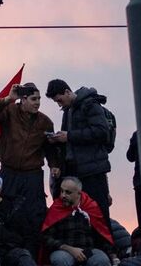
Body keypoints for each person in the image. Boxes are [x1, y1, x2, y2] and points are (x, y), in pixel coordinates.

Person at [0, 83, 58, 229]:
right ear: (23, 99)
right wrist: (8, 99)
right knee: (5, 211)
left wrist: (54, 165)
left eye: (39, 99)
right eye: (33, 99)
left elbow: (49, 147)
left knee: (34, 215)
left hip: (32, 175)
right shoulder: (9, 111)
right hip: (9, 173)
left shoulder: (45, 122)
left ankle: (32, 249)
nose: (37, 103)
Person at [46, 81, 117, 221]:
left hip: (92, 171)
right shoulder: (68, 111)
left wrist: (69, 136)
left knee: (98, 215)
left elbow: (101, 132)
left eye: (59, 100)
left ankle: (104, 243)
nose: (59, 105)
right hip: (76, 171)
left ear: (67, 92)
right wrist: (58, 139)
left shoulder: (90, 104)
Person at [40, 177, 116, 266]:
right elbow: (46, 238)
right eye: (62, 191)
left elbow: (102, 234)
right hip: (64, 250)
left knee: (102, 260)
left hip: (88, 250)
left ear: (78, 193)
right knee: (60, 260)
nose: (63, 195)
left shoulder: (90, 207)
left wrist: (112, 255)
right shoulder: (56, 209)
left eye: (68, 192)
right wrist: (68, 248)